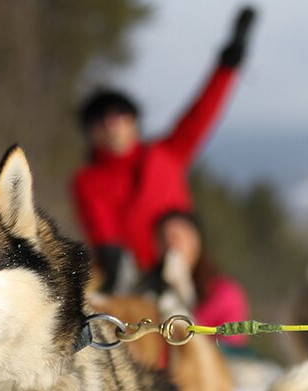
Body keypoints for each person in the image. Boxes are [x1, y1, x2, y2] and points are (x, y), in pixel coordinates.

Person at [72, 6, 257, 294]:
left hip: (190, 276)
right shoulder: (89, 181)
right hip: (132, 285)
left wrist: (229, 63)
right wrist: (116, 262)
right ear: (90, 132)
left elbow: (202, 112)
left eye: (120, 113)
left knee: (228, 303)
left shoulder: (166, 154)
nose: (112, 123)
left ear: (133, 121)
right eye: (100, 118)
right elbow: (103, 233)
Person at [154, 212, 250, 348]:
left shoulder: (225, 293)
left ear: (196, 241)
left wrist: (182, 293)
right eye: (163, 239)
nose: (170, 246)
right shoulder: (148, 288)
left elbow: (229, 348)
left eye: (176, 238)